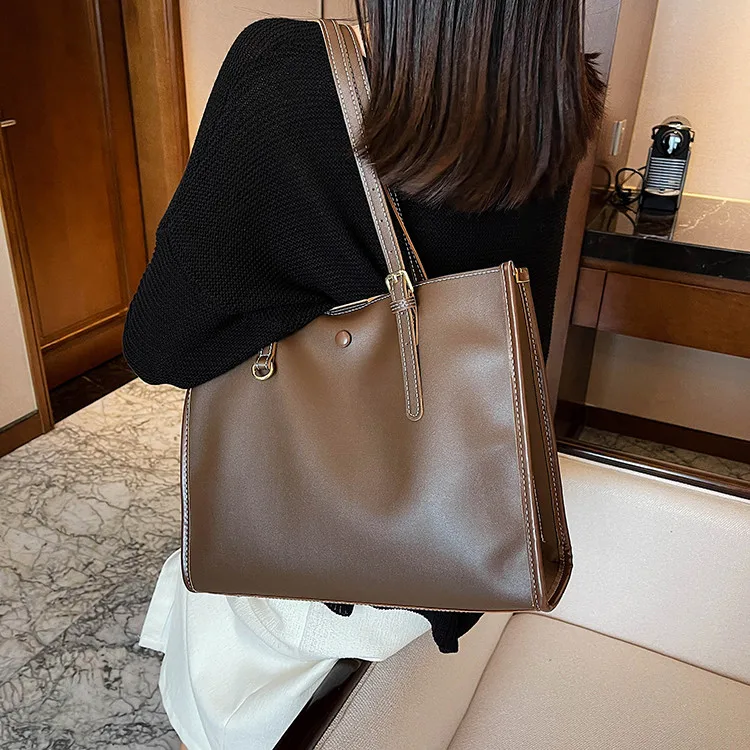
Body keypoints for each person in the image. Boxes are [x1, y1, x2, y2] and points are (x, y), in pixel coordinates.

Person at [124, 3, 604, 748]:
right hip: (455, 548)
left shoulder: (286, 70)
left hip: (308, 559)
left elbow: (162, 345)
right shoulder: (555, 92)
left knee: (226, 677)